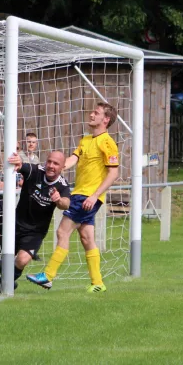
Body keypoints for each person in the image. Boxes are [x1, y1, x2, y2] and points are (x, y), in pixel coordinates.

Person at [27, 102, 119, 293]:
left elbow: (113, 173)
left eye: (96, 113)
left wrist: (94, 196)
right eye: (92, 111)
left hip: (86, 197)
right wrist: (53, 168)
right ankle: (97, 283)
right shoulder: (86, 140)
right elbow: (71, 161)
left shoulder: (107, 142)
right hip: (80, 194)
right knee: (87, 238)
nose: (91, 114)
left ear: (106, 119)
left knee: (62, 232)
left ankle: (48, 276)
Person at [0, 150, 71, 293]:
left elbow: (66, 203)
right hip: (15, 224)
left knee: (21, 260)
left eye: (56, 163)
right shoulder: (35, 171)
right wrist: (18, 163)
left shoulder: (62, 185)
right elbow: (22, 166)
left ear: (62, 167)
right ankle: (9, 282)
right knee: (4, 263)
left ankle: (0, 286)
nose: (51, 165)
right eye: (49, 161)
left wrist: (59, 200)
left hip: (35, 232)